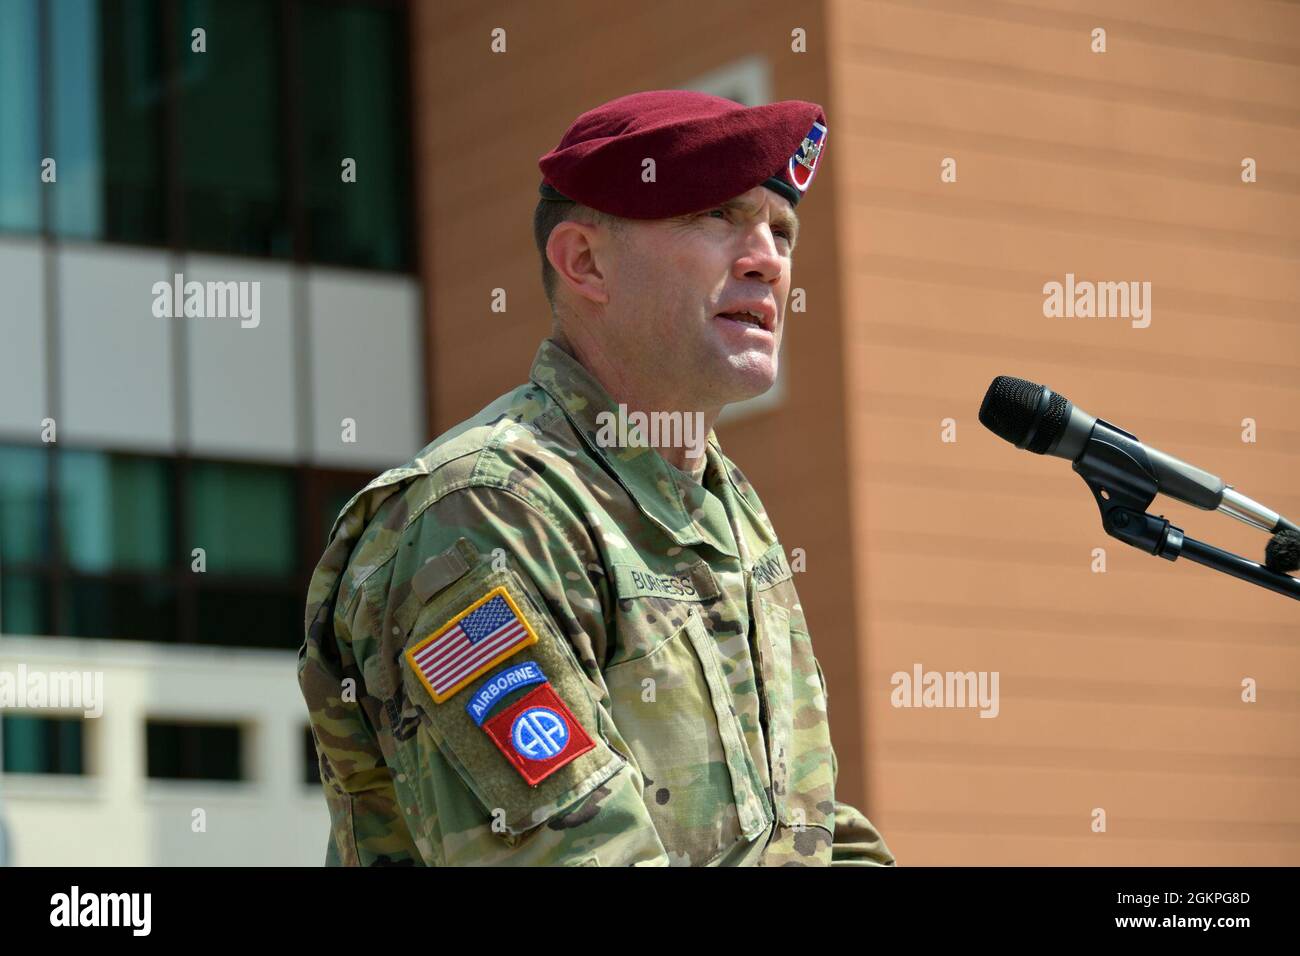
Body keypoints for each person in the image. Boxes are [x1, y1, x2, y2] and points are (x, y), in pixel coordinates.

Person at [298, 89, 894, 866]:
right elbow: (574, 852)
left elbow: (806, 830)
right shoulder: (487, 512)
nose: (768, 259)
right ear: (585, 262)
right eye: (717, 216)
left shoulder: (723, 505)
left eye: (781, 229)